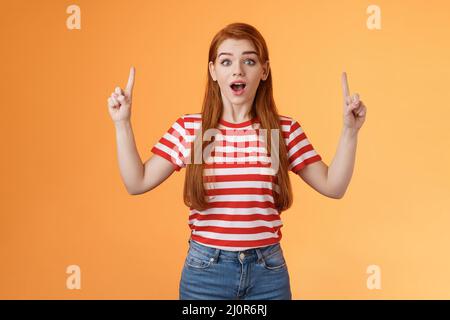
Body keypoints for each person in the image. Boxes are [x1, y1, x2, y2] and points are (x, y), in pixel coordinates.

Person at [107, 22, 367, 300]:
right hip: (205, 271)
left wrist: (350, 131)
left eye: (249, 61)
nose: (237, 70)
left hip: (268, 272)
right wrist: (122, 124)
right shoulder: (192, 130)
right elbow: (137, 182)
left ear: (264, 70)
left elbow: (333, 186)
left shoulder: (282, 131)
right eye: (226, 61)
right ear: (213, 71)